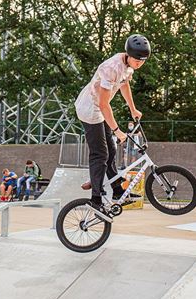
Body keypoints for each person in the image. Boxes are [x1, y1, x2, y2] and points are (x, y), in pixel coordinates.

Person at [74, 34, 150, 210]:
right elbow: (103, 104)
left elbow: (124, 85)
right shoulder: (112, 68)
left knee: (112, 148)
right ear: (128, 54)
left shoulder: (128, 66)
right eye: (137, 60)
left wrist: (133, 109)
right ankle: (96, 199)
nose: (139, 64)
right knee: (100, 154)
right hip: (90, 109)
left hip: (100, 109)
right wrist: (117, 130)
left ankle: (117, 190)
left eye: (142, 61)